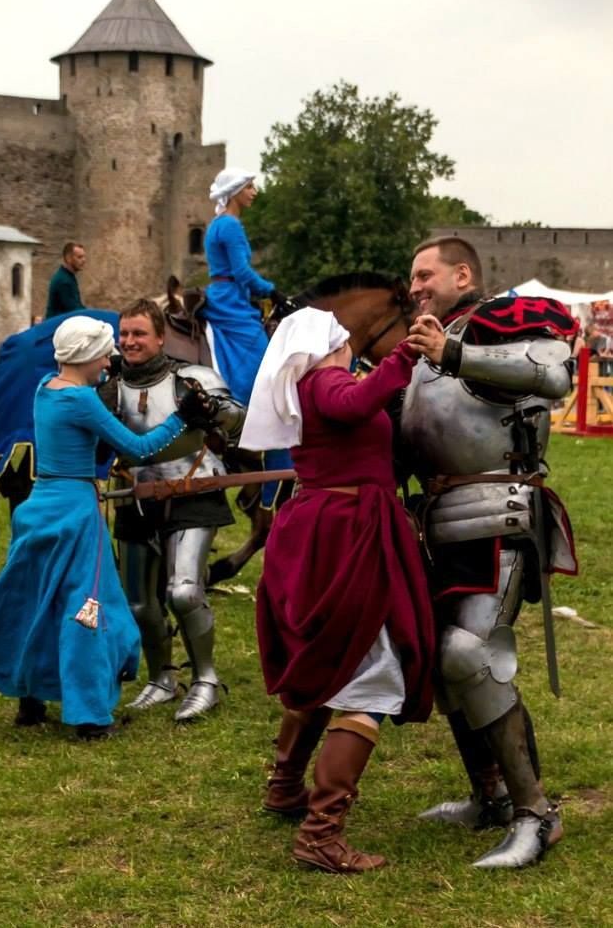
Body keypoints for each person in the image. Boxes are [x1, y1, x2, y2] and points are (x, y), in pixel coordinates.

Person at [239, 307, 437, 874]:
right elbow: (353, 403)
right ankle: (321, 835)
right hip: (349, 533)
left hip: (323, 525)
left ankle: (284, 787)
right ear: (332, 343)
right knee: (370, 673)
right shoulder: (326, 380)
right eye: (345, 341)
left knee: (324, 657)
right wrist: (406, 354)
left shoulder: (302, 387)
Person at [402, 236, 578, 868]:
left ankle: (537, 814)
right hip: (434, 520)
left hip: (498, 513)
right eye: (411, 278)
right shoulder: (426, 346)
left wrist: (454, 352)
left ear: (462, 273)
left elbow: (554, 375)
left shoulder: (507, 321)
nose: (415, 285)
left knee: (471, 657)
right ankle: (493, 795)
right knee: (438, 661)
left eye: (425, 274)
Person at [0, 315, 216, 739]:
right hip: (75, 513)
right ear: (89, 354)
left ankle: (31, 700)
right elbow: (139, 447)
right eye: (105, 352)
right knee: (89, 609)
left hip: (39, 507)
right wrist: (182, 417)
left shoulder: (45, 389)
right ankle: (91, 717)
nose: (110, 359)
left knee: (39, 603)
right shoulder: (82, 400)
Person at [101, 299, 245, 721]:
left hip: (192, 487)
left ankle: (205, 679)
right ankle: (161, 677)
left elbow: (238, 419)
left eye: (139, 333)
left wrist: (214, 408)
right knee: (139, 604)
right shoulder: (109, 388)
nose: (129, 341)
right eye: (124, 334)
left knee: (182, 592)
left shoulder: (191, 378)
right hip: (134, 494)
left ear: (160, 337)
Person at [202, 167, 292, 500]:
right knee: (267, 371)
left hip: (225, 294)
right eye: (250, 186)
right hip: (231, 301)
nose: (255, 191)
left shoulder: (217, 224)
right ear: (237, 190)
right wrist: (273, 291)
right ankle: (248, 418)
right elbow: (241, 271)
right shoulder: (231, 225)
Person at [45, 242, 87, 320]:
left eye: (84, 257)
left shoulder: (68, 277)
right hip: (54, 327)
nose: (84, 260)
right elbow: (74, 310)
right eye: (79, 257)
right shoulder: (63, 281)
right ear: (68, 258)